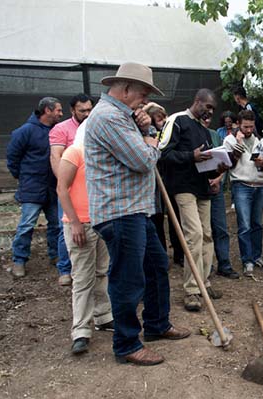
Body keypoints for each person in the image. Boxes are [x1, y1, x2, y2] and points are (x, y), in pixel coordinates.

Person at [85, 62, 190, 366]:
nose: (145, 100)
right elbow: (144, 160)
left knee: (156, 266)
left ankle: (157, 324)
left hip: (135, 209)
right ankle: (127, 343)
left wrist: (148, 130)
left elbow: (145, 149)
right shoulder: (108, 118)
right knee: (128, 279)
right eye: (143, 93)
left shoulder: (124, 116)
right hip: (119, 211)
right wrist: (150, 140)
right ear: (126, 88)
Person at [159, 89, 225, 311]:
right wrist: (191, 156)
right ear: (197, 102)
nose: (210, 112)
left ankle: (203, 282)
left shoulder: (205, 132)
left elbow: (204, 163)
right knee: (194, 235)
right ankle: (191, 290)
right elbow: (163, 154)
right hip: (183, 188)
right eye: (207, 107)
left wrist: (218, 170)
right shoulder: (176, 120)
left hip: (202, 188)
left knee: (207, 236)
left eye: (212, 109)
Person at [56, 122, 113, 355]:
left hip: (101, 222)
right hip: (79, 224)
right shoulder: (74, 152)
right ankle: (80, 330)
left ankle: (104, 316)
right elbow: (61, 189)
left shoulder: (100, 155)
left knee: (101, 272)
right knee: (82, 278)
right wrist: (75, 222)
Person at [6, 97, 62, 278]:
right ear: (47, 110)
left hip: (52, 187)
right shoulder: (25, 131)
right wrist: (23, 177)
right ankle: (19, 260)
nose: (61, 114)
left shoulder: (57, 131)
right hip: (32, 187)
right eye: (58, 111)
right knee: (27, 225)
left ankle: (55, 256)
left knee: (56, 224)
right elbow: (13, 159)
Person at [49, 93, 93, 286]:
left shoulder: (95, 124)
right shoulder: (62, 129)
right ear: (72, 110)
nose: (87, 113)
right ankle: (65, 269)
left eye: (89, 109)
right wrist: (65, 184)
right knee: (65, 227)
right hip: (69, 185)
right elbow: (56, 157)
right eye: (82, 110)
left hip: (91, 187)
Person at [223, 109, 263, 277]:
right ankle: (247, 260)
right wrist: (238, 143)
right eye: (245, 126)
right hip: (241, 185)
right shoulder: (229, 140)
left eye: (251, 126)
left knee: (257, 223)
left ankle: (257, 256)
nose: (249, 130)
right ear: (238, 124)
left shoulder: (260, 141)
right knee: (244, 225)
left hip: (258, 185)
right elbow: (228, 163)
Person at [145, 102, 184, 267]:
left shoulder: (171, 133)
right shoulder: (149, 136)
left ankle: (179, 254)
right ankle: (161, 254)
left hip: (172, 180)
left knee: (176, 217)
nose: (163, 122)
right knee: (157, 219)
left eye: (164, 118)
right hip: (155, 183)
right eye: (159, 119)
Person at [202, 114, 239, 280]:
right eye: (204, 117)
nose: (207, 120)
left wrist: (218, 180)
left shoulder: (215, 135)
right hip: (199, 189)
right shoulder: (190, 133)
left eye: (210, 117)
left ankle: (224, 264)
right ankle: (206, 266)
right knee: (203, 231)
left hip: (216, 188)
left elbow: (222, 160)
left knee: (221, 228)